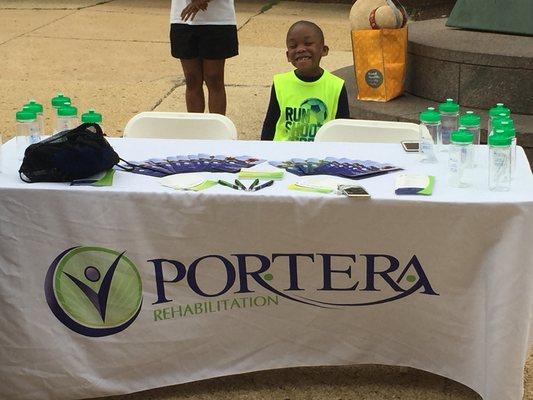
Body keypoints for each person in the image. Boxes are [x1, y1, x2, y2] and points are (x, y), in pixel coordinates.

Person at [261, 20, 350, 141]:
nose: (301, 49)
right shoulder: (280, 83)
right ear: (288, 56)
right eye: (293, 46)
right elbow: (270, 125)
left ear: (324, 50)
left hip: (321, 155)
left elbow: (343, 130)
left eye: (308, 43)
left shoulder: (336, 86)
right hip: (283, 155)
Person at [170, 0, 238, 115]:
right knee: (192, 79)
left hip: (218, 20)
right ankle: (195, 127)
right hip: (183, 19)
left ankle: (216, 128)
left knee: (214, 78)